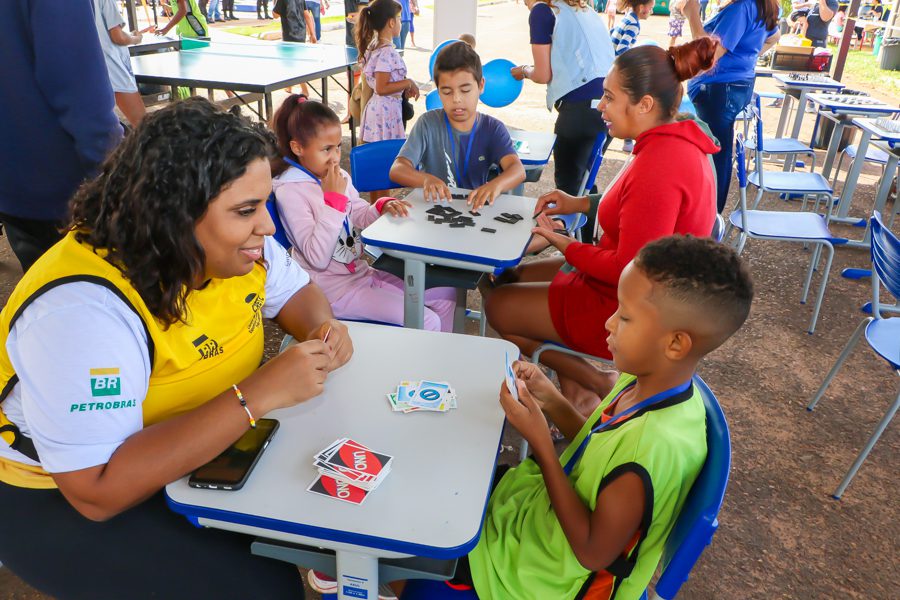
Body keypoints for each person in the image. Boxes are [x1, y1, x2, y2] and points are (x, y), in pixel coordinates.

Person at [0, 98, 352, 598]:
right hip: (49, 488)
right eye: (246, 211)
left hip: (187, 444)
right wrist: (257, 395)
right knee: (259, 590)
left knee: (321, 518)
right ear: (175, 214)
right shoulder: (81, 313)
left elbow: (298, 294)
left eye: (263, 204)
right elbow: (97, 489)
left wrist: (324, 331)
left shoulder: (234, 245)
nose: (267, 226)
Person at [429, 235, 754, 599]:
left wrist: (541, 443)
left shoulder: (652, 447)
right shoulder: (648, 381)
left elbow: (591, 552)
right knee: (443, 478)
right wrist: (552, 399)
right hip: (535, 523)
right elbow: (598, 446)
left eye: (625, 317)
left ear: (676, 343)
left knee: (410, 542)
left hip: (540, 580)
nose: (609, 323)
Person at [483, 39, 720, 414]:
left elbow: (627, 268)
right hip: (628, 289)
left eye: (609, 97)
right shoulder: (671, 139)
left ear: (644, 104)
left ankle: (597, 382)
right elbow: (635, 209)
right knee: (506, 277)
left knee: (497, 306)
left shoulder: (661, 164)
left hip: (633, 308)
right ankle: (578, 393)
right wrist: (578, 203)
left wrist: (563, 243)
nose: (599, 106)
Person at [270, 95, 457, 331]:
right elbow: (317, 258)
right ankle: (418, 356)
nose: (335, 158)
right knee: (427, 320)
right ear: (298, 148)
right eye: (326, 149)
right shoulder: (290, 192)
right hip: (333, 292)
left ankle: (442, 353)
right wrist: (333, 202)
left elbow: (357, 212)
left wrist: (380, 207)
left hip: (361, 274)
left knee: (446, 295)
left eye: (338, 147)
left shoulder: (337, 176)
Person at [1, 0, 122, 273]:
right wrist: (119, 179)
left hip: (13, 187)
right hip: (68, 194)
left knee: (45, 288)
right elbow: (84, 101)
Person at [511, 0, 615, 237]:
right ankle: (587, 244)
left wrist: (523, 70)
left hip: (578, 112)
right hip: (609, 109)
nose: (526, 4)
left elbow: (542, 73)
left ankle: (572, 249)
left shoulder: (543, 11)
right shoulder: (587, 11)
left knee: (568, 189)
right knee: (585, 181)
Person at [390, 41, 526, 211]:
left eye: (465, 90)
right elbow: (397, 169)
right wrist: (425, 179)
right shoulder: (427, 124)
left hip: (474, 211)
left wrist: (496, 185)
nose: (456, 99)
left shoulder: (493, 128)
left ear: (481, 85)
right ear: (438, 91)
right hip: (433, 212)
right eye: (447, 92)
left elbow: (517, 170)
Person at [683, 0, 781, 213]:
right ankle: (711, 215)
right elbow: (774, 37)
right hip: (735, 85)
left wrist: (692, 14)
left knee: (715, 154)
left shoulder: (741, 9)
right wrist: (744, 57)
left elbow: (707, 55)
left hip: (719, 89)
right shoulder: (761, 5)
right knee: (720, 151)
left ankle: (710, 217)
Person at [356, 0, 419, 200]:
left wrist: (401, 89)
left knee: (377, 169)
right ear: (391, 23)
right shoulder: (386, 52)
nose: (401, 22)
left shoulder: (374, 46)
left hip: (379, 110)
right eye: (399, 18)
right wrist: (407, 82)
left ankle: (378, 208)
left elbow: (383, 85)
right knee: (385, 169)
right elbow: (382, 88)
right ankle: (383, 209)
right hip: (385, 113)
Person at [92, 0, 148, 127]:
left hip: (89, 65)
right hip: (112, 66)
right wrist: (136, 39)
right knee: (143, 125)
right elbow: (118, 37)